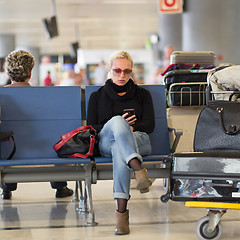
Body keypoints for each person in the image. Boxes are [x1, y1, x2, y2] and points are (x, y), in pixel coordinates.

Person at [87, 50, 155, 235]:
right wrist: (119, 126)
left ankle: (121, 215)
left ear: (132, 72)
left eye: (126, 71)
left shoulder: (143, 95)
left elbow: (150, 125)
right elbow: (93, 127)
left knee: (120, 146)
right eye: (117, 70)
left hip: (139, 140)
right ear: (110, 70)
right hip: (105, 143)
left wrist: (129, 129)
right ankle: (137, 168)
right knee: (117, 121)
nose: (122, 75)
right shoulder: (97, 96)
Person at [2, 50, 74, 199]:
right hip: (46, 150)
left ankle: (7, 187)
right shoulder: (47, 96)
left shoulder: (2, 96)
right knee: (55, 137)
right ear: (30, 73)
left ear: (9, 74)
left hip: (10, 151)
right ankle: (60, 187)